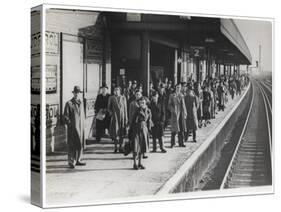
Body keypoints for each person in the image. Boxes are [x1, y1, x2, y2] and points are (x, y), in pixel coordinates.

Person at [64, 86, 86, 169]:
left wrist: (84, 126)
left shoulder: (81, 103)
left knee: (80, 144)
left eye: (78, 93)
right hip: (73, 128)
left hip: (81, 128)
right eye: (76, 93)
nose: (77, 94)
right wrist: (71, 125)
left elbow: (83, 115)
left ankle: (78, 160)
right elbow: (65, 116)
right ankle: (71, 161)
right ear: (73, 93)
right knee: (72, 144)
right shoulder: (69, 103)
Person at [130, 97, 152, 170]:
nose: (141, 104)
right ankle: (134, 164)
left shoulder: (148, 111)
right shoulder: (137, 111)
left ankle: (140, 163)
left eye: (143, 102)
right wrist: (131, 131)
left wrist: (149, 130)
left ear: (146, 103)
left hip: (144, 130)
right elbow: (133, 121)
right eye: (140, 103)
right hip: (136, 129)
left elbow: (149, 121)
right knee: (136, 147)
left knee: (142, 147)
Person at [108, 87, 128, 153]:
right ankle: (116, 147)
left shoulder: (123, 98)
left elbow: (125, 109)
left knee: (122, 132)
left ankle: (121, 147)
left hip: (122, 117)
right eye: (115, 90)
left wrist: (126, 118)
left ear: (120, 91)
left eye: (118, 90)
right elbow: (108, 108)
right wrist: (111, 114)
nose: (116, 91)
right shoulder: (111, 98)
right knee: (115, 133)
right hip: (115, 117)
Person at [168, 83, 187, 148]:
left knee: (181, 128)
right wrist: (172, 110)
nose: (178, 88)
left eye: (179, 87)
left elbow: (183, 105)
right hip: (175, 114)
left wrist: (185, 113)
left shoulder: (182, 95)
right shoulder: (172, 95)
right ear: (175, 88)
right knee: (174, 129)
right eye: (177, 87)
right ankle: (172, 143)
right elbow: (169, 105)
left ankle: (181, 142)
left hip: (181, 113)